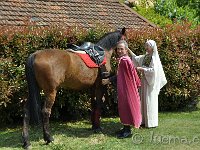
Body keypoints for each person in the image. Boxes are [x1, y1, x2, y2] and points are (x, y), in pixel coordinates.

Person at [102, 40, 142, 138]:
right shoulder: (124, 59)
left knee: (126, 107)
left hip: (127, 89)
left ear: (126, 50)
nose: (119, 51)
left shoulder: (124, 61)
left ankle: (127, 130)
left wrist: (108, 80)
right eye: (118, 49)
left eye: (121, 49)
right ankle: (125, 128)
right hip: (125, 88)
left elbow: (120, 75)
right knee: (124, 107)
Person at [128, 40, 167, 128]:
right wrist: (128, 50)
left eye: (147, 46)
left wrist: (143, 69)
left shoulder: (153, 58)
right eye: (145, 46)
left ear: (152, 47)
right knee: (143, 101)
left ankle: (151, 122)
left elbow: (154, 71)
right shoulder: (146, 56)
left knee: (149, 101)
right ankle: (144, 121)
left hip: (150, 83)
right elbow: (136, 59)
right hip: (144, 81)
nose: (146, 48)